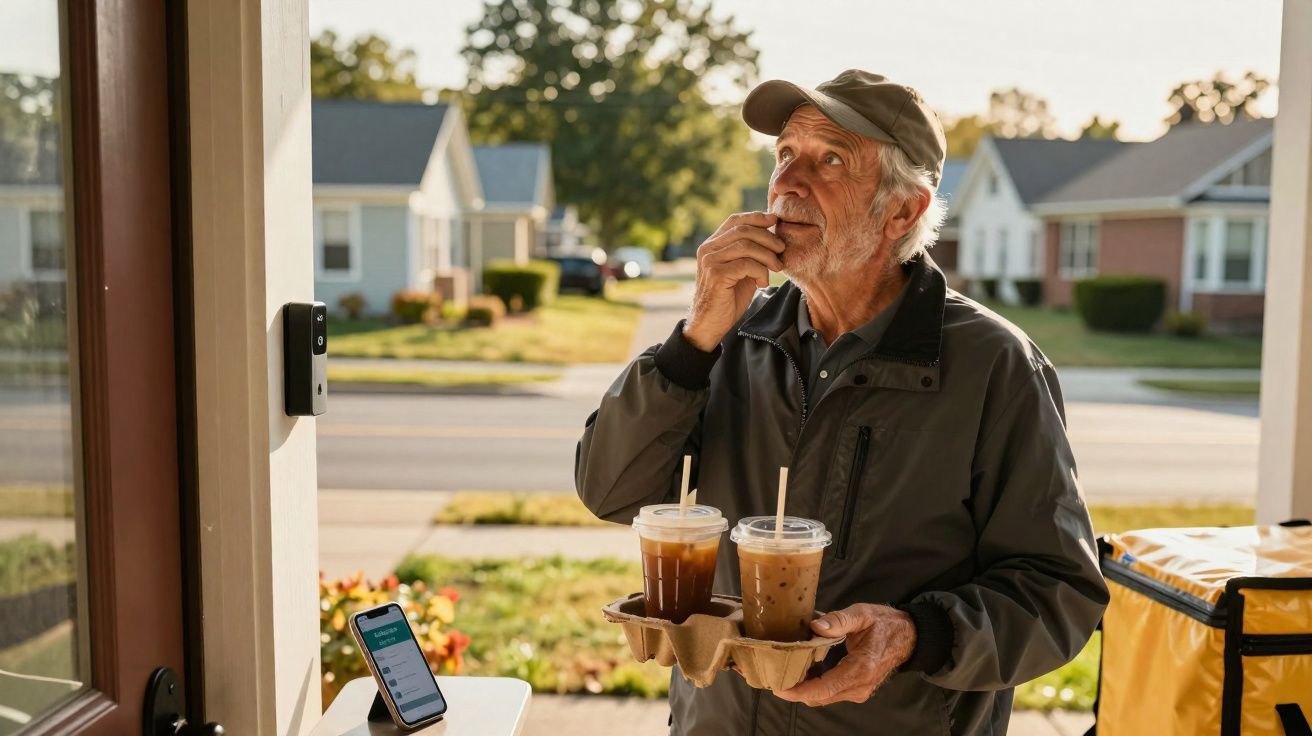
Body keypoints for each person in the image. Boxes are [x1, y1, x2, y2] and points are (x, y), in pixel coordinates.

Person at [574, 69, 1108, 735]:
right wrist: (693, 340)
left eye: (830, 159)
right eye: (785, 155)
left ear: (903, 210)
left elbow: (1059, 592)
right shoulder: (726, 338)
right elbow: (610, 488)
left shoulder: (994, 367)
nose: (790, 183)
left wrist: (917, 634)